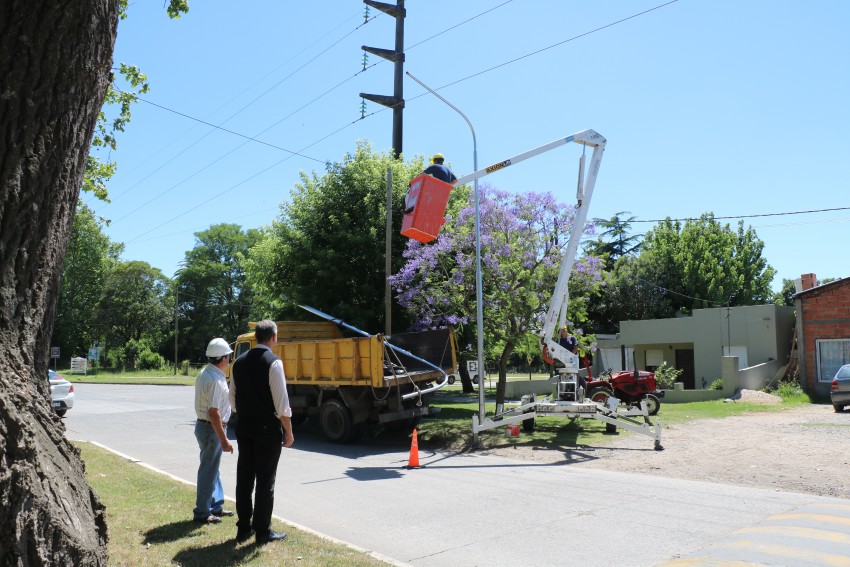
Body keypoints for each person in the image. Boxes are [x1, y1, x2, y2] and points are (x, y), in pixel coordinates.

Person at [229, 319, 295, 545]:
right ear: (274, 337)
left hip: (245, 425)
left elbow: (233, 401)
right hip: (267, 428)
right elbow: (282, 404)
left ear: (256, 337)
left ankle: (243, 527)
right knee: (266, 480)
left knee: (244, 478)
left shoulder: (238, 362)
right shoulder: (273, 363)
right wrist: (289, 432)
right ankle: (263, 531)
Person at [193, 337, 234, 524]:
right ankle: (202, 511)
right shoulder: (216, 380)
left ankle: (215, 506)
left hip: (205, 427)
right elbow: (213, 412)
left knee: (212, 468)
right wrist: (224, 439)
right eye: (229, 357)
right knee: (209, 470)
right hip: (211, 429)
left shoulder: (205, 373)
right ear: (224, 358)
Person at [558, 327, 587, 400]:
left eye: (565, 329)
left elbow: (575, 347)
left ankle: (580, 395)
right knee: (563, 379)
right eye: (562, 330)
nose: (565, 330)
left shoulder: (572, 338)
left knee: (578, 378)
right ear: (560, 332)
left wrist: (570, 356)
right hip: (564, 363)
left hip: (573, 361)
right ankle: (563, 395)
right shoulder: (559, 341)